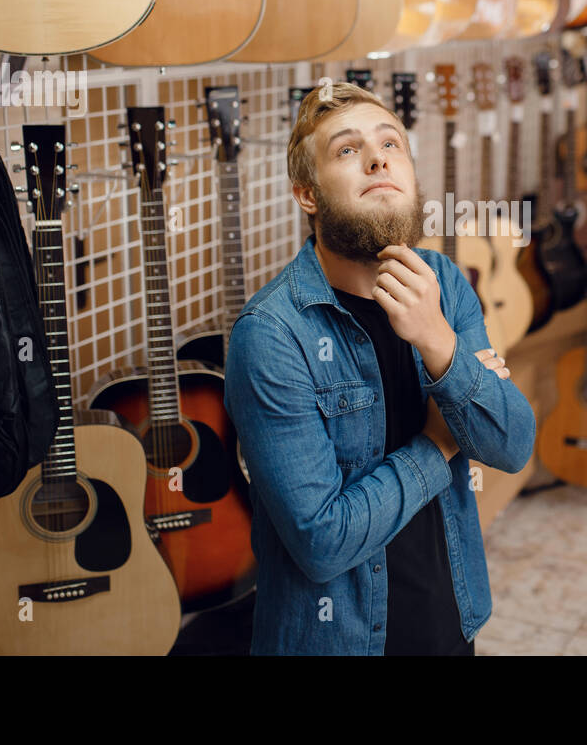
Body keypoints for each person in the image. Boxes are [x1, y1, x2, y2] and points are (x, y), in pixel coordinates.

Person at [224, 81, 537, 655]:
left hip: (451, 623)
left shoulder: (443, 283)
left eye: (391, 144)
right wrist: (440, 443)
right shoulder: (272, 336)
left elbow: (512, 444)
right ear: (307, 195)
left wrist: (437, 340)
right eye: (347, 150)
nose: (377, 158)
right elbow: (322, 541)